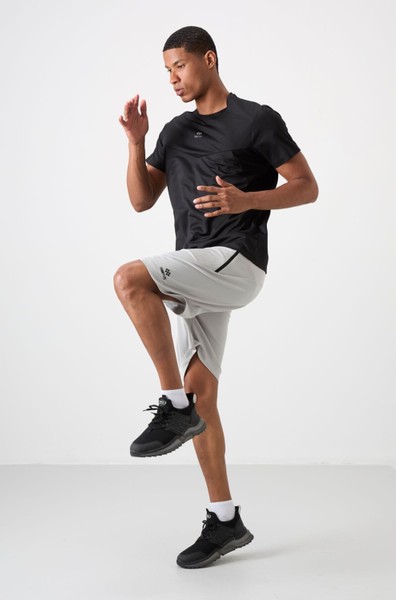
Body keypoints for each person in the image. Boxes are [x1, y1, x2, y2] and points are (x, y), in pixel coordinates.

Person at [115, 25, 318, 569]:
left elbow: (306, 185)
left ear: (209, 59)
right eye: (166, 71)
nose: (173, 79)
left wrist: (245, 200)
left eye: (179, 66)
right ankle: (225, 519)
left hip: (237, 260)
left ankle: (172, 406)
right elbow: (141, 200)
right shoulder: (177, 130)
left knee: (130, 279)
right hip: (197, 269)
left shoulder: (256, 120)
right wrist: (136, 142)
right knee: (202, 397)